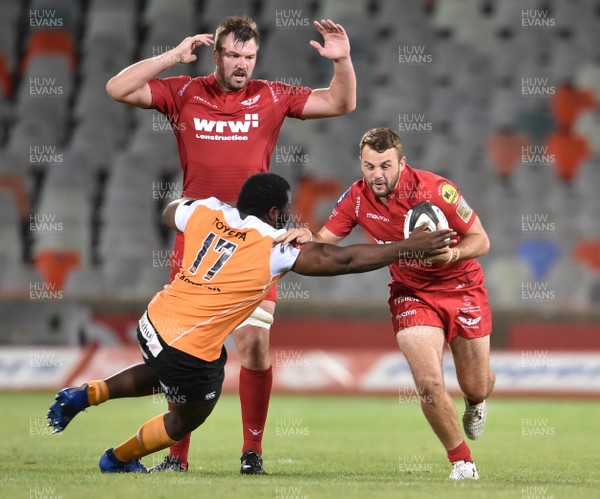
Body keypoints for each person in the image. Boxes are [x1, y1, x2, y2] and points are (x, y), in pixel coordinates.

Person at [46, 173, 455, 473]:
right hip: (187, 347)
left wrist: (209, 209)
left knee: (166, 371)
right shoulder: (274, 246)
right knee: (188, 414)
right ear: (276, 212)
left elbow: (171, 210)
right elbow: (344, 260)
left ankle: (87, 394)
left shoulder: (206, 210)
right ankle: (116, 460)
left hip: (153, 321)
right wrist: (408, 247)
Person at [105, 15, 356, 473]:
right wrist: (170, 58)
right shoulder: (184, 91)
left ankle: (252, 452)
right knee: (185, 350)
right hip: (200, 239)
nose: (241, 65)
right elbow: (117, 89)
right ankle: (176, 457)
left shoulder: (272, 96)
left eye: (249, 56)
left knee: (256, 345)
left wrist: (342, 61)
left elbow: (341, 102)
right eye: (233, 55)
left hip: (255, 245)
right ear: (216, 54)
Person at [280, 128, 495, 480]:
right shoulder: (357, 197)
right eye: (369, 166)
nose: (377, 175)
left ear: (402, 162)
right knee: (428, 383)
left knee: (476, 384)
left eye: (385, 166)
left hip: (462, 287)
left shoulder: (437, 190)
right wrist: (309, 236)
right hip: (411, 293)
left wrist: (451, 254)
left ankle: (476, 400)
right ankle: (462, 462)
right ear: (361, 164)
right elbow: (324, 240)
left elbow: (481, 240)